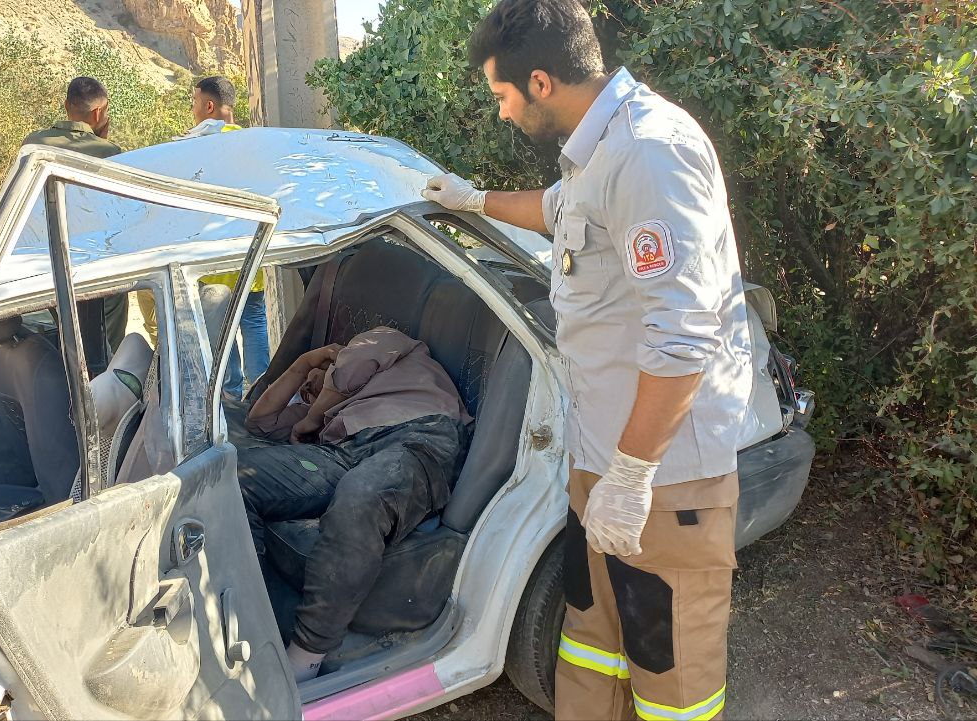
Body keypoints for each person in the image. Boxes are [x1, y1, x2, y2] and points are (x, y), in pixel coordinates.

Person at [423, 1, 752, 719]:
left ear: (540, 82)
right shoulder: (596, 152)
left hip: (664, 479)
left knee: (672, 680)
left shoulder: (648, 151)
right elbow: (556, 211)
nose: (502, 111)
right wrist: (473, 201)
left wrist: (631, 477)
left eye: (503, 94)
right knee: (593, 649)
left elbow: (683, 336)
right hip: (603, 461)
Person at [236, 327, 471, 682]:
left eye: (313, 381)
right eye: (305, 392)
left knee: (360, 497)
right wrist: (302, 366)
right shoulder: (328, 415)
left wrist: (313, 409)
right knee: (236, 478)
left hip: (419, 432)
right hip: (344, 451)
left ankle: (304, 661)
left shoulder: (377, 343)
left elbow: (349, 371)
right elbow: (261, 423)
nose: (307, 391)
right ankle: (251, 624)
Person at [176, 76, 268, 400]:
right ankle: (263, 393)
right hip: (251, 254)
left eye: (194, 102)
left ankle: (230, 396)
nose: (193, 109)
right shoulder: (254, 143)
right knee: (253, 322)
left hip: (214, 259)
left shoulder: (196, 145)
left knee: (220, 328)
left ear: (209, 106)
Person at [23, 77, 128, 350]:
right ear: (98, 113)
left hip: (41, 254)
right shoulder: (109, 152)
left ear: (66, 105)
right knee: (115, 299)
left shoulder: (33, 143)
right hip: (93, 257)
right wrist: (102, 141)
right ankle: (109, 359)